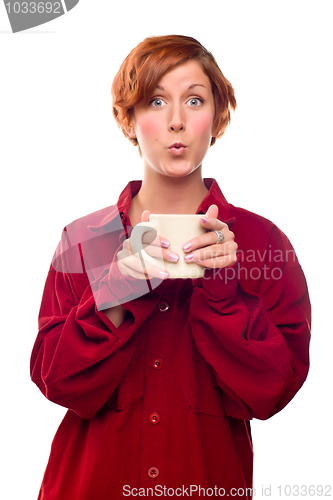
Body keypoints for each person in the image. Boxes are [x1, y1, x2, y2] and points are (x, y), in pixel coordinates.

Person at [31, 35, 311, 499]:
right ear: (130, 119)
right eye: (156, 101)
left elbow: (273, 393)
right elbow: (55, 379)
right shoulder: (83, 239)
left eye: (194, 100)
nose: (177, 121)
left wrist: (224, 295)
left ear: (217, 116)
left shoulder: (264, 244)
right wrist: (119, 286)